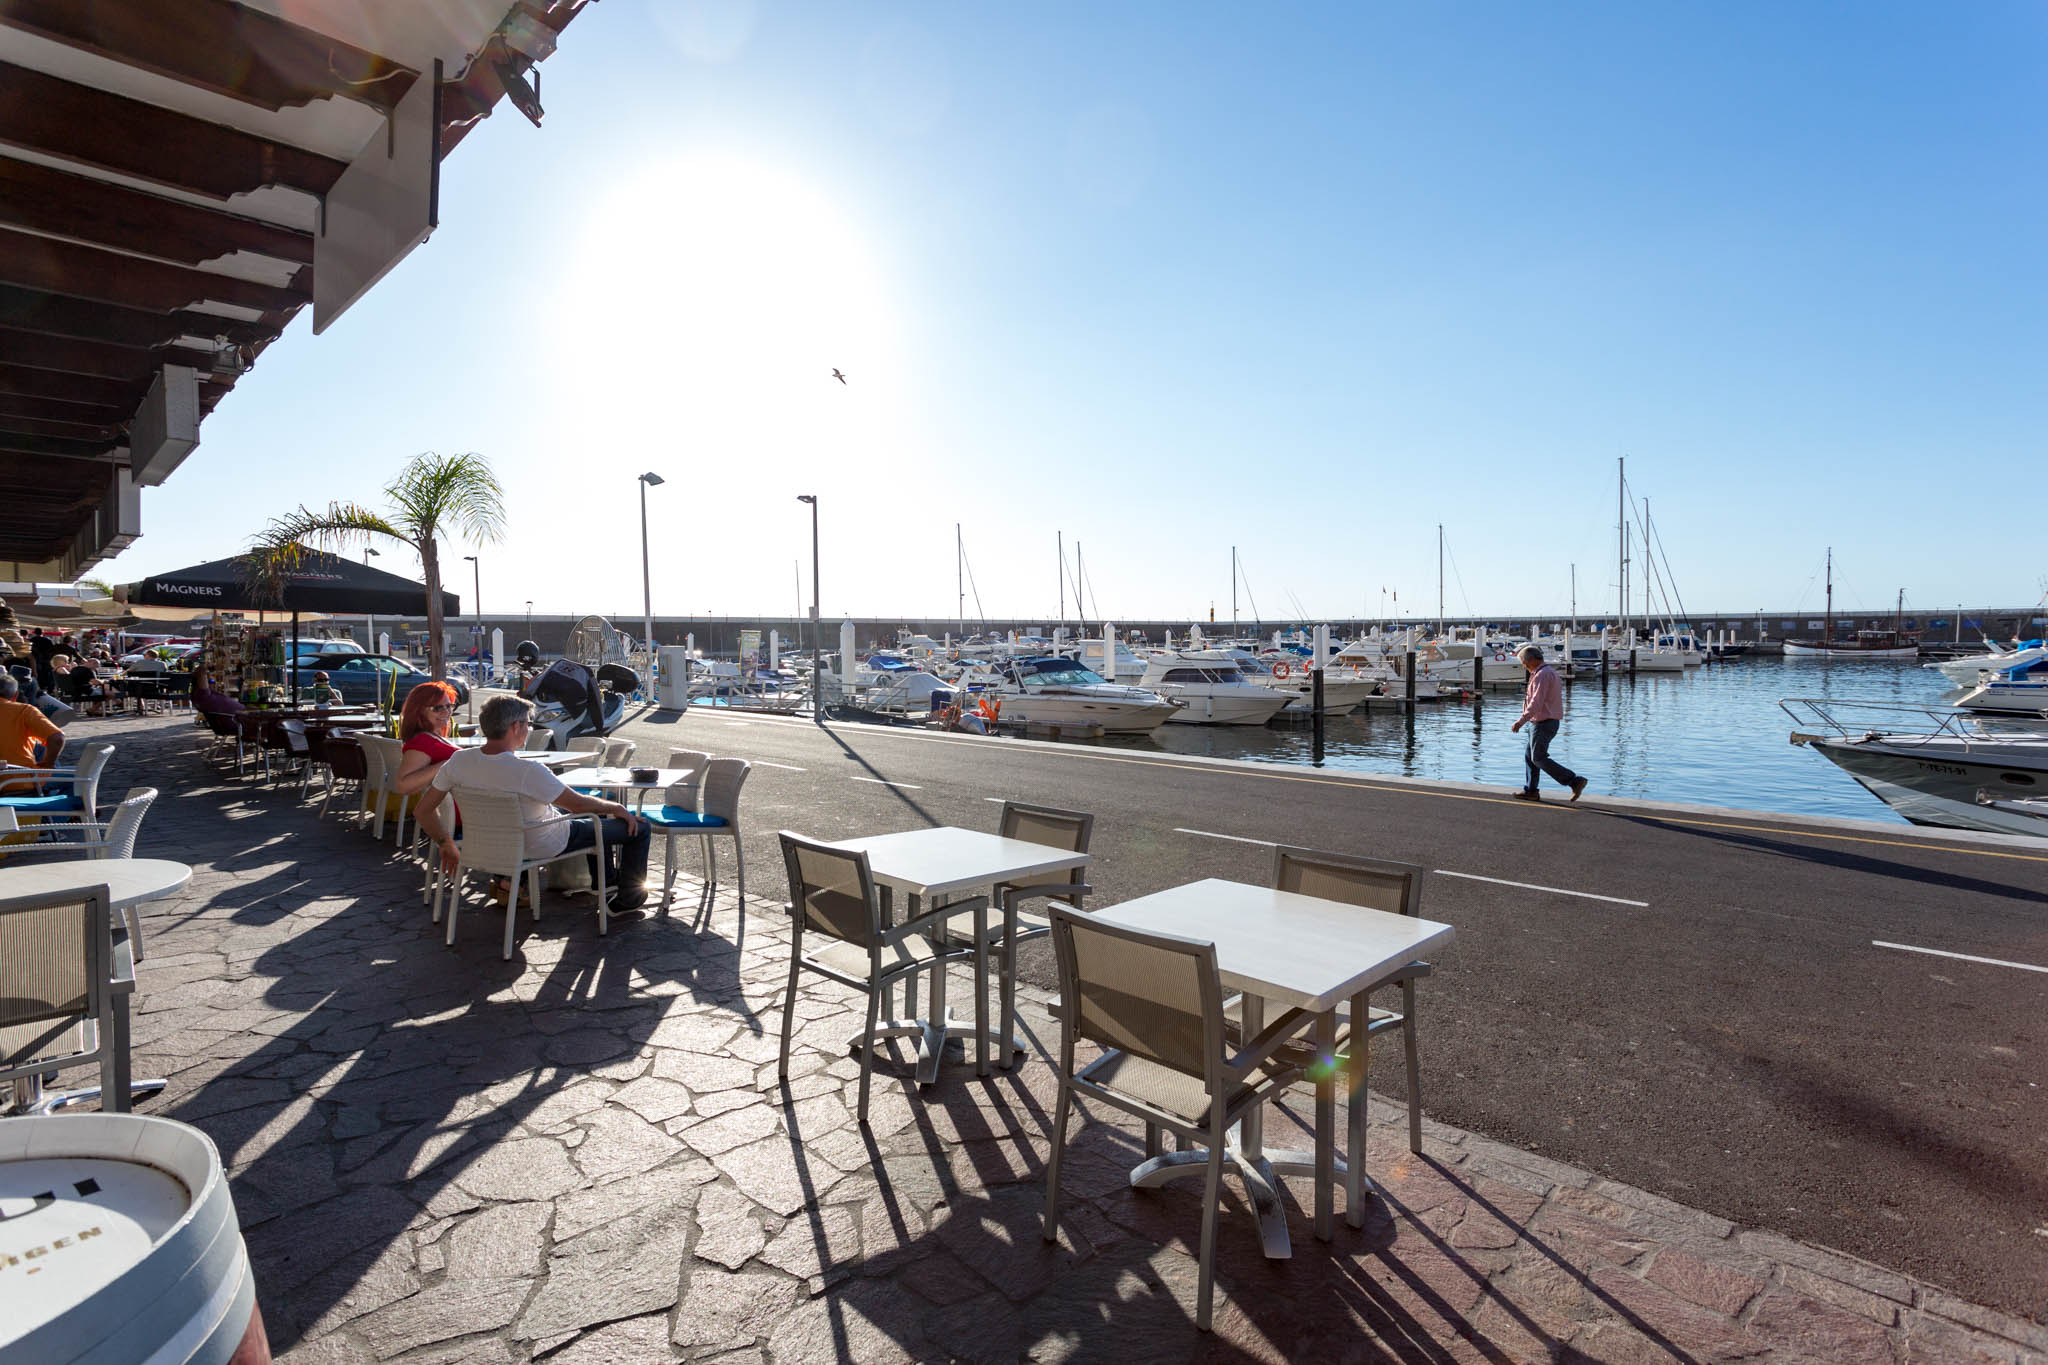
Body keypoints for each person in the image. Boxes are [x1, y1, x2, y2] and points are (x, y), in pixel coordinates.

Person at [415, 694, 650, 912]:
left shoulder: (458, 761)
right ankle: (629, 899)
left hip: (489, 842)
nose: (529, 729)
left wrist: (445, 843)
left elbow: (423, 810)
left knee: (594, 814)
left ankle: (605, 881)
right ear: (515, 727)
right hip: (541, 841)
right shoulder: (528, 771)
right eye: (528, 723)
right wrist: (618, 808)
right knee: (638, 827)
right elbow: (577, 805)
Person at [1510, 644, 1587, 803]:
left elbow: (1536, 703)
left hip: (1543, 722)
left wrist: (1520, 721)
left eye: (1523, 663)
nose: (1523, 666)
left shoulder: (1542, 675)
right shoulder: (1547, 672)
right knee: (1530, 757)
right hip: (1542, 721)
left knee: (1538, 758)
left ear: (1531, 660)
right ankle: (1531, 791)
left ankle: (1574, 781)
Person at [392, 682, 459, 797]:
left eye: (448, 706)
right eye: (437, 708)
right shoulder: (422, 741)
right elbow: (403, 786)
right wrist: (451, 763)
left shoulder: (432, 736)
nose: (446, 712)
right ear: (420, 711)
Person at [0, 672, 64, 793]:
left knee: (39, 749)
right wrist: (48, 764)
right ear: (15, 696)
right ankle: (63, 809)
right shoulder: (24, 711)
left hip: (13, 777)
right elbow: (57, 738)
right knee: (83, 776)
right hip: (18, 778)